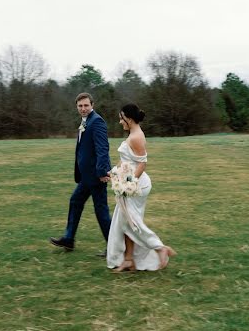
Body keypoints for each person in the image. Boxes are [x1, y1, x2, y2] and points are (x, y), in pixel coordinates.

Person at [106, 103, 176, 272]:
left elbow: (142, 164)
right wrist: (114, 173)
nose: (120, 122)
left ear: (128, 118)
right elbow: (126, 161)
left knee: (131, 223)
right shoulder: (133, 134)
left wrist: (128, 184)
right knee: (127, 223)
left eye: (121, 118)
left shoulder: (136, 137)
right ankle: (129, 259)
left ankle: (160, 248)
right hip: (131, 183)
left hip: (137, 187)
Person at [50, 92, 111, 254]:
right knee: (75, 201)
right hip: (86, 177)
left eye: (86, 105)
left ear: (92, 105)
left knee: (101, 211)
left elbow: (102, 148)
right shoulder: (85, 121)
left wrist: (102, 171)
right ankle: (69, 239)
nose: (83, 108)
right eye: (80, 106)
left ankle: (115, 247)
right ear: (76, 107)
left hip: (97, 176)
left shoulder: (97, 122)